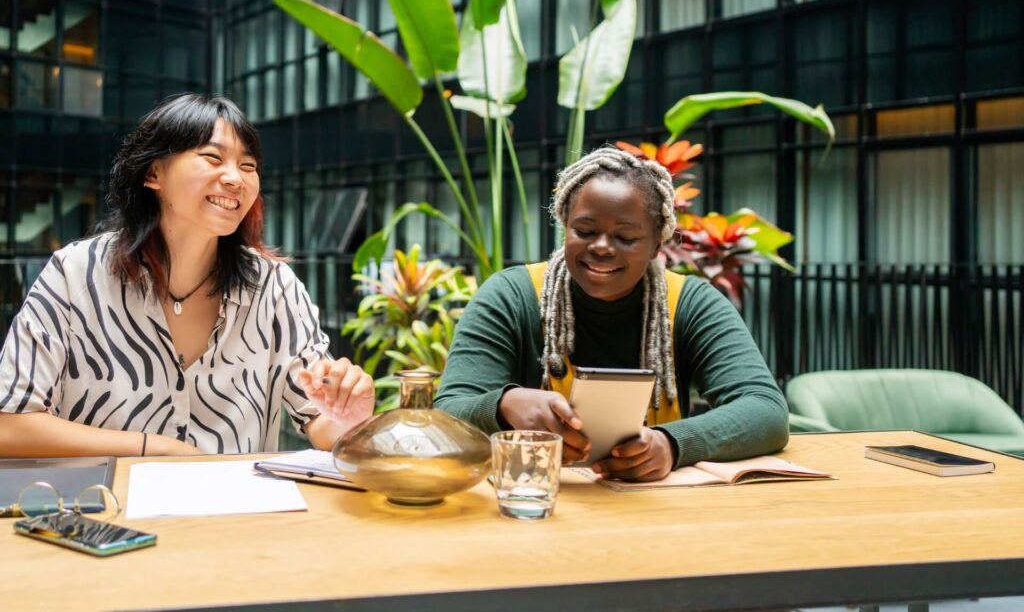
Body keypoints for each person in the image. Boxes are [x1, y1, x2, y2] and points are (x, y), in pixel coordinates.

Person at [0, 94, 373, 457]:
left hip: (234, 516)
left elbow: (320, 423)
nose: (235, 179)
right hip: (105, 513)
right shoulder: (75, 274)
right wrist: (152, 447)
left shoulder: (274, 286)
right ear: (153, 172)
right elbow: (11, 424)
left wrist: (349, 417)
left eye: (248, 166)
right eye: (212, 157)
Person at [435, 146, 788, 482]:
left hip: (655, 509)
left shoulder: (691, 303)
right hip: (533, 503)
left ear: (656, 244)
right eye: (585, 231)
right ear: (565, 227)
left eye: (625, 237)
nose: (601, 247)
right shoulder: (511, 296)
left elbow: (765, 411)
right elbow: (448, 411)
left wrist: (671, 443)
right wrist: (504, 405)